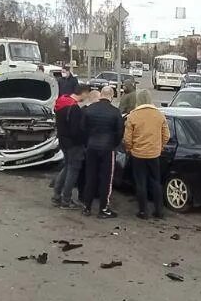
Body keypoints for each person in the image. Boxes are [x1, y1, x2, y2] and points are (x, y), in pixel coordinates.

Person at [123, 90, 170, 219]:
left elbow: (127, 139)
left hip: (138, 155)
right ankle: (159, 211)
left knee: (141, 183)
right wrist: (159, 147)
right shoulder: (159, 115)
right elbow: (166, 136)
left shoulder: (133, 116)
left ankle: (143, 211)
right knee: (156, 182)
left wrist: (130, 149)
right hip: (154, 155)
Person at [82, 85, 124, 219]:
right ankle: (103, 208)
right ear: (111, 96)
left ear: (101, 95)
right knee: (106, 179)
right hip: (107, 149)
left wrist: (88, 142)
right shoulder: (115, 112)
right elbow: (119, 132)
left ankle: (87, 206)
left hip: (92, 147)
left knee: (90, 177)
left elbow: (83, 129)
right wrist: (114, 144)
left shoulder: (89, 110)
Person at [53, 83, 88, 207]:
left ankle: (57, 194)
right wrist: (83, 140)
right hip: (74, 144)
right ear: (83, 93)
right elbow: (75, 131)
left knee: (67, 167)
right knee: (73, 170)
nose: (87, 97)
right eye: (86, 94)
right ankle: (66, 200)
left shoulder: (61, 102)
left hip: (63, 142)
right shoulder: (74, 108)